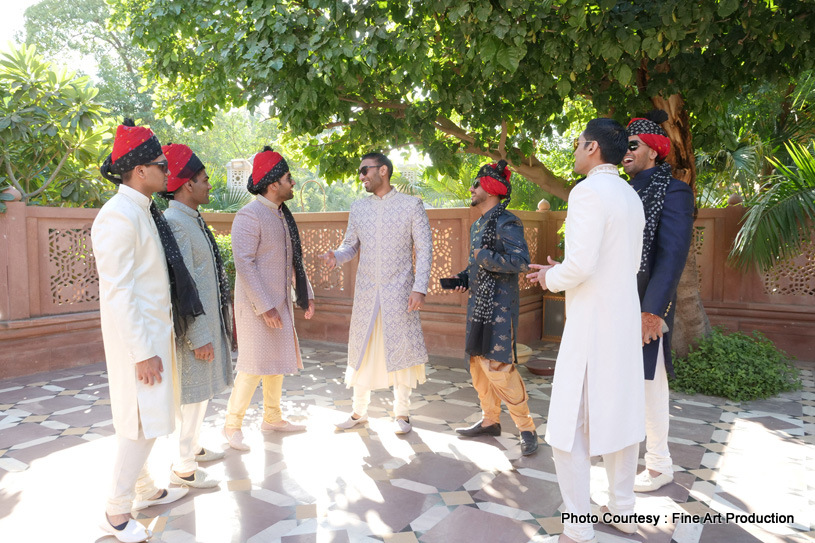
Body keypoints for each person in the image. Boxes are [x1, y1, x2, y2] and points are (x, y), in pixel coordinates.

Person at [527, 119, 645, 543]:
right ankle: (624, 508)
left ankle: (578, 523)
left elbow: (579, 266)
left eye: (578, 145)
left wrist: (547, 278)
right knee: (621, 413)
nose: (574, 152)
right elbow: (624, 264)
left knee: (568, 423)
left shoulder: (587, 192)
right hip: (623, 317)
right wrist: (559, 272)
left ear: (593, 148)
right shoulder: (631, 195)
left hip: (592, 322)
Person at [94, 119, 196, 542]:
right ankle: (115, 513)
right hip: (139, 343)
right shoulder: (117, 216)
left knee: (152, 418)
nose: (166, 172)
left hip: (154, 336)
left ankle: (146, 489)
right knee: (138, 425)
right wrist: (142, 351)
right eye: (160, 165)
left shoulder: (142, 211)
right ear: (139, 171)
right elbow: (119, 293)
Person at [319, 152, 432, 435]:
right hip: (368, 291)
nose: (361, 176)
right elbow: (350, 245)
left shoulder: (411, 206)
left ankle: (402, 414)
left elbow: (425, 249)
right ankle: (359, 412)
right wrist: (337, 257)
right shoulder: (359, 208)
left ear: (383, 170)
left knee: (402, 350)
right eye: (360, 172)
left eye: (364, 170)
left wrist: (419, 287)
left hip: (401, 291)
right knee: (363, 349)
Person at [223, 147, 315, 451]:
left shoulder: (279, 215)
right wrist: (264, 307)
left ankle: (272, 417)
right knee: (252, 365)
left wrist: (306, 296)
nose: (292, 182)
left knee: (275, 362)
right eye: (289, 178)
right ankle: (231, 425)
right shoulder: (249, 215)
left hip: (279, 302)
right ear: (274, 183)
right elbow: (244, 264)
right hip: (256, 306)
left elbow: (293, 262)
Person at [623, 111, 695, 493]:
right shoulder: (624, 190)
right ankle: (627, 457)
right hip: (616, 304)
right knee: (625, 384)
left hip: (646, 306)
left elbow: (672, 255)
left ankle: (658, 465)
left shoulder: (674, 191)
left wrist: (651, 311)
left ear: (654, 151)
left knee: (651, 384)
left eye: (633, 145)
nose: (625, 152)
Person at [448, 160, 538, 456]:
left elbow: (520, 262)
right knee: (477, 367)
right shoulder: (478, 225)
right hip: (478, 306)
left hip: (499, 308)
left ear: (489, 188)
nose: (471, 189)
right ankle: (490, 421)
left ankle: (527, 429)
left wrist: (484, 255)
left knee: (499, 368)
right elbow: (478, 265)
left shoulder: (507, 222)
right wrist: (463, 277)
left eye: (475, 184)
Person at [161, 143, 236, 488]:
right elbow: (184, 287)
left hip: (205, 323)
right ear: (188, 185)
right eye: (205, 180)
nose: (210, 186)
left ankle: (192, 447)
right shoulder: (176, 223)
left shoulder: (190, 219)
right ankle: (184, 466)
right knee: (192, 396)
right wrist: (198, 334)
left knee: (201, 393)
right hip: (195, 329)